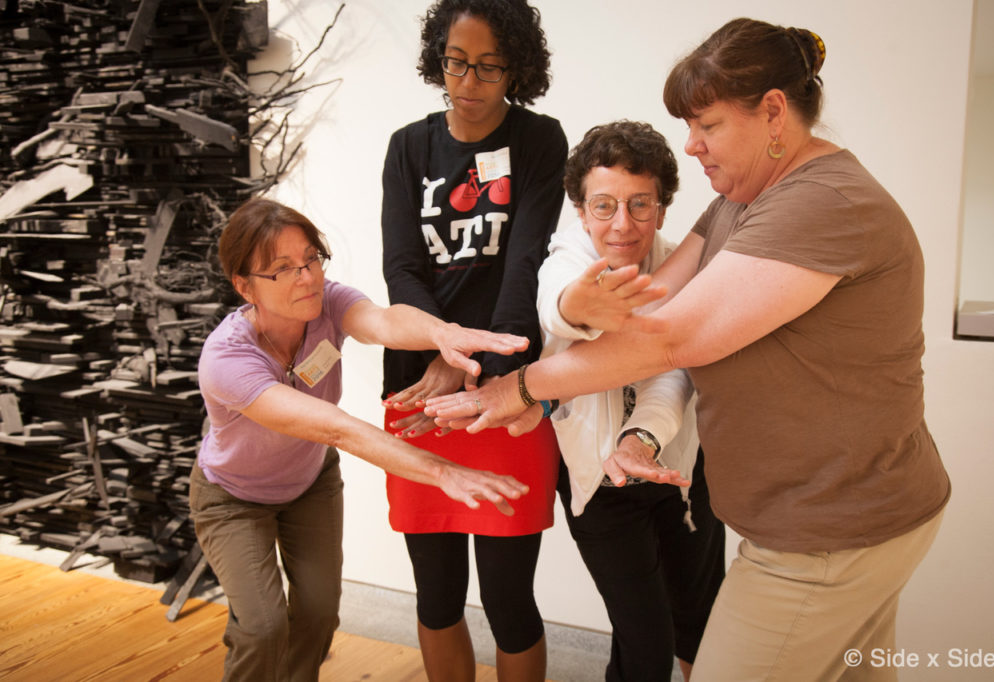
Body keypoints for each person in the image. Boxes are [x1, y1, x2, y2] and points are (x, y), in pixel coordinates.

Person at [427, 17, 951, 681]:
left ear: (772, 113)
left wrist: (523, 386)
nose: (692, 145)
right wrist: (571, 311)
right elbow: (652, 302)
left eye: (707, 125)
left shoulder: (821, 204)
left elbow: (670, 338)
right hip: (838, 518)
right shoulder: (743, 201)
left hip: (827, 533)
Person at [190, 197, 534, 682]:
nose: (307, 276)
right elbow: (336, 428)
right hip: (234, 496)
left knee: (318, 614)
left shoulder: (326, 303)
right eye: (283, 269)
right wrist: (441, 471)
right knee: (264, 627)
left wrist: (443, 334)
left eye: (311, 258)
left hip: (309, 483)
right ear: (244, 286)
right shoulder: (228, 359)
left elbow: (384, 321)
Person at [378, 1, 566, 680]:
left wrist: (479, 367)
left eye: (489, 67)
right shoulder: (409, 145)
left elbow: (525, 264)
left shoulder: (539, 141)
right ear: (438, 57)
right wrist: (443, 353)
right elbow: (401, 266)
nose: (469, 81)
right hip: (420, 386)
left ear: (516, 68)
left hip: (504, 388)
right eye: (457, 62)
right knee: (436, 595)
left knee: (509, 596)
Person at [537, 120, 725, 682]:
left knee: (703, 627)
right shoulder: (568, 260)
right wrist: (581, 309)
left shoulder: (685, 266)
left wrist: (642, 439)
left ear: (663, 209)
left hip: (681, 473)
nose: (622, 225)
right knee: (646, 645)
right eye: (604, 206)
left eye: (640, 205)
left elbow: (676, 372)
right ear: (580, 208)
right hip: (603, 486)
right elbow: (559, 305)